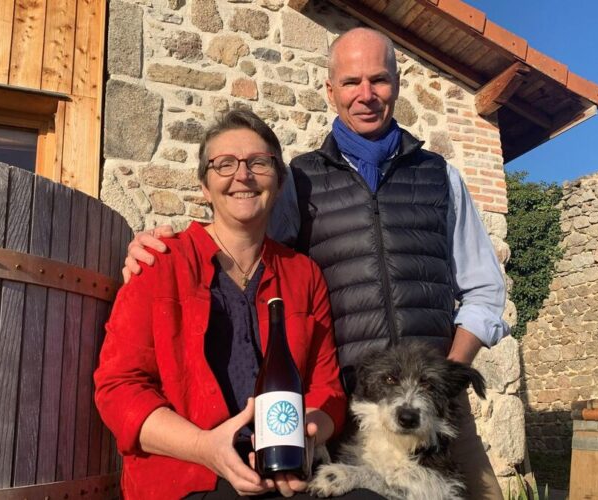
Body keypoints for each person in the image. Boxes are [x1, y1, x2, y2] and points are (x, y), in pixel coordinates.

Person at [124, 28, 509, 499]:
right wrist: (158, 245)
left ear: (397, 85)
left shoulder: (439, 175)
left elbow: (485, 288)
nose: (365, 95)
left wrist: (444, 376)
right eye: (350, 82)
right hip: (352, 410)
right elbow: (246, 238)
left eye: (379, 80)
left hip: (436, 406)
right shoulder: (299, 181)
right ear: (330, 91)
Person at [95, 109, 358, 499]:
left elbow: (327, 389)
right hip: (187, 479)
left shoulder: (303, 275)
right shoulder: (159, 263)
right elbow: (118, 389)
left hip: (286, 475)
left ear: (280, 181)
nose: (243, 175)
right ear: (204, 185)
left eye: (259, 162)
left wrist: (308, 431)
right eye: (224, 164)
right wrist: (205, 447)